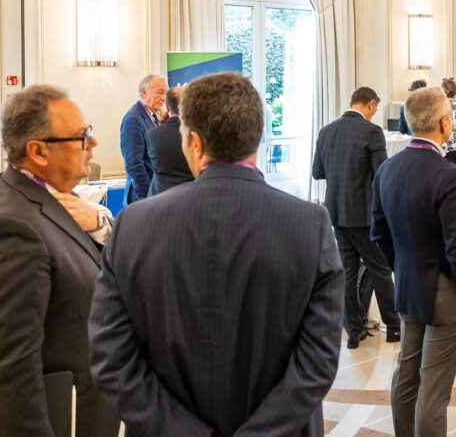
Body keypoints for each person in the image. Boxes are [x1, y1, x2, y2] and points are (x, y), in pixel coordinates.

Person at [90, 72, 343, 435]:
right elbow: (318, 360)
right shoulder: (311, 225)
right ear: (257, 137)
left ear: (193, 143)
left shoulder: (133, 226)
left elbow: (112, 357)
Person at [0, 85, 119, 437]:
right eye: (82, 136)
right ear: (38, 151)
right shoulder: (9, 228)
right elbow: (8, 374)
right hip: (53, 417)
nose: (93, 143)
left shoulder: (46, 200)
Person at [371, 87, 456, 437]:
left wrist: (402, 268)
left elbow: (378, 234)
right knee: (434, 390)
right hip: (444, 293)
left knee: (406, 375)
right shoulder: (449, 175)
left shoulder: (387, 169)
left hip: (409, 285)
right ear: (444, 124)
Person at [311, 86, 400, 349]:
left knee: (346, 274)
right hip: (364, 216)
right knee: (380, 270)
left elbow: (317, 172)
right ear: (371, 104)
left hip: (337, 214)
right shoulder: (371, 131)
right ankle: (393, 327)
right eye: (375, 109)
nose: (374, 114)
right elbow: (382, 173)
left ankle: (353, 330)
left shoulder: (326, 131)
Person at [119, 74, 167, 203]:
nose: (164, 98)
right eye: (160, 93)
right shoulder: (133, 119)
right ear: (144, 92)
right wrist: (148, 197)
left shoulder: (153, 116)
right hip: (141, 197)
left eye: (165, 93)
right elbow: (134, 165)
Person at [145, 85, 192, 195]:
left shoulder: (151, 135)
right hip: (190, 197)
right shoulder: (199, 134)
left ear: (167, 106)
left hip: (159, 197)